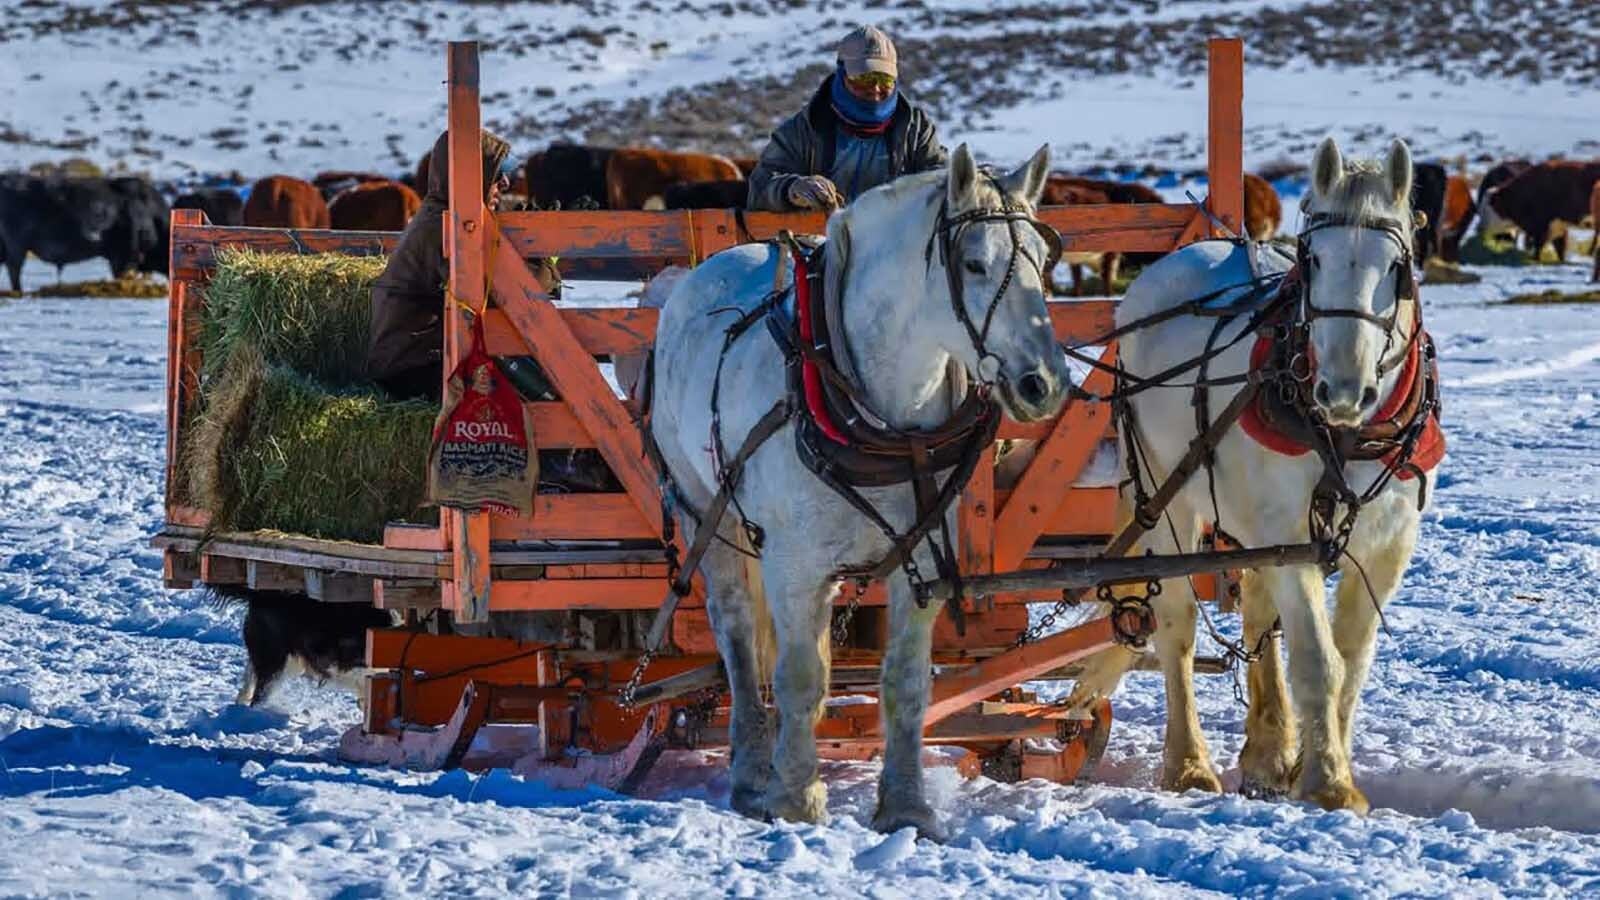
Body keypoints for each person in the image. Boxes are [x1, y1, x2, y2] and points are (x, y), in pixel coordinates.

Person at [367, 128, 551, 402]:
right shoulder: (444, 226)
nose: (504, 183)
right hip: (412, 369)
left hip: (412, 359)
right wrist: (542, 256)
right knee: (523, 403)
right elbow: (499, 295)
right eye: (495, 173)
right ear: (469, 176)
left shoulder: (441, 216)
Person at [747, 25, 948, 212]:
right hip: (817, 243)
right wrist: (792, 189)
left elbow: (942, 176)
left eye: (884, 79)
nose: (876, 89)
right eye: (864, 79)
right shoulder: (805, 128)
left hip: (897, 243)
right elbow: (760, 188)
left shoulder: (916, 129)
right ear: (842, 75)